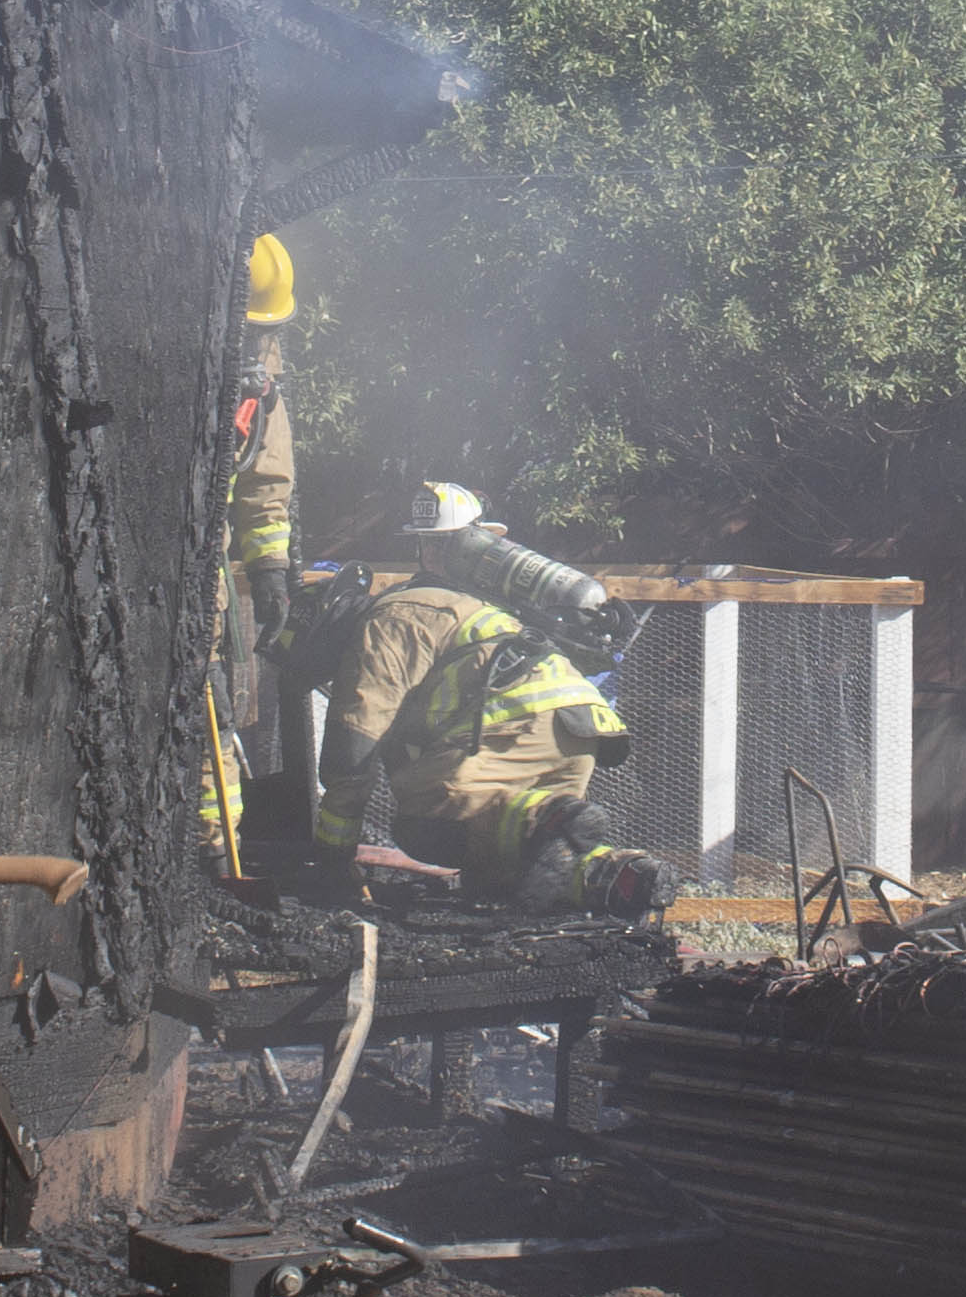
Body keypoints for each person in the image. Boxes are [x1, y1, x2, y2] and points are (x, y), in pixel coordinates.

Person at [306, 483, 669, 916]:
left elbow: (355, 742)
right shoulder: (495, 606)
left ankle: (549, 818)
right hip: (580, 727)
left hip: (516, 728)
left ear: (424, 547)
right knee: (515, 866)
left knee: (426, 826)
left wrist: (332, 857)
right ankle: (618, 878)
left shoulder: (396, 613)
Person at [204, 234, 300, 866]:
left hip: (199, 586)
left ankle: (212, 850)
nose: (256, 350)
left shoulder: (258, 395)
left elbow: (265, 487)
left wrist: (269, 569)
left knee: (206, 711)